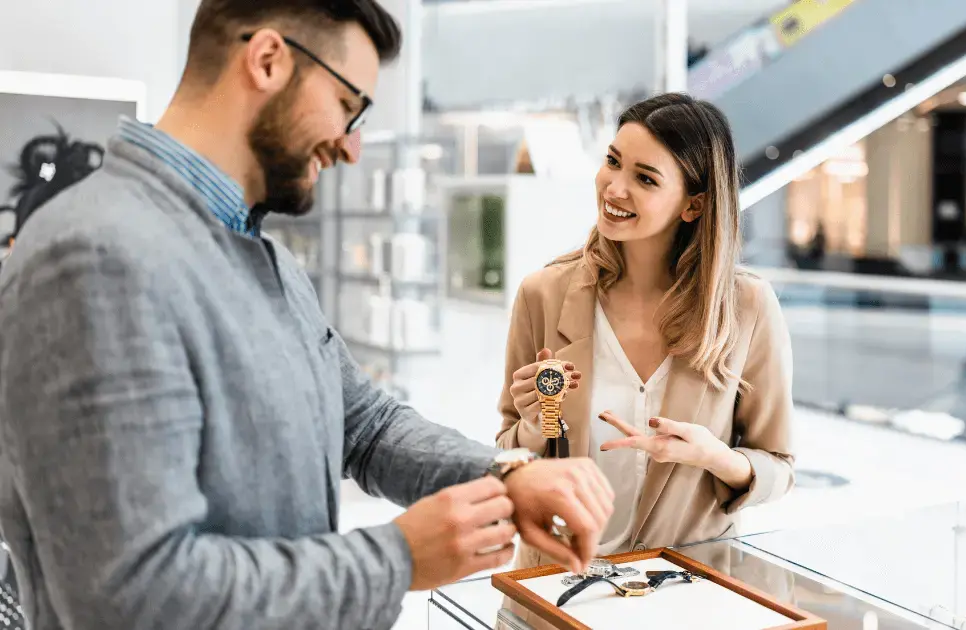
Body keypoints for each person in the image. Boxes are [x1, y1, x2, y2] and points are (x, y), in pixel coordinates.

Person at [0, 2, 613, 629]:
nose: (351, 147)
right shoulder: (94, 256)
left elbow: (363, 425)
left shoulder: (268, 260)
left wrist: (506, 475)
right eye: (349, 106)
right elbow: (135, 597)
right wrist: (396, 557)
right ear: (267, 60)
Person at [496, 93, 795, 572]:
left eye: (645, 178)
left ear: (693, 206)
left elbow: (778, 466)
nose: (614, 188)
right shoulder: (544, 293)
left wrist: (715, 457)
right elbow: (510, 452)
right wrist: (535, 424)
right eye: (612, 162)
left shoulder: (747, 308)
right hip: (557, 581)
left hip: (683, 587)